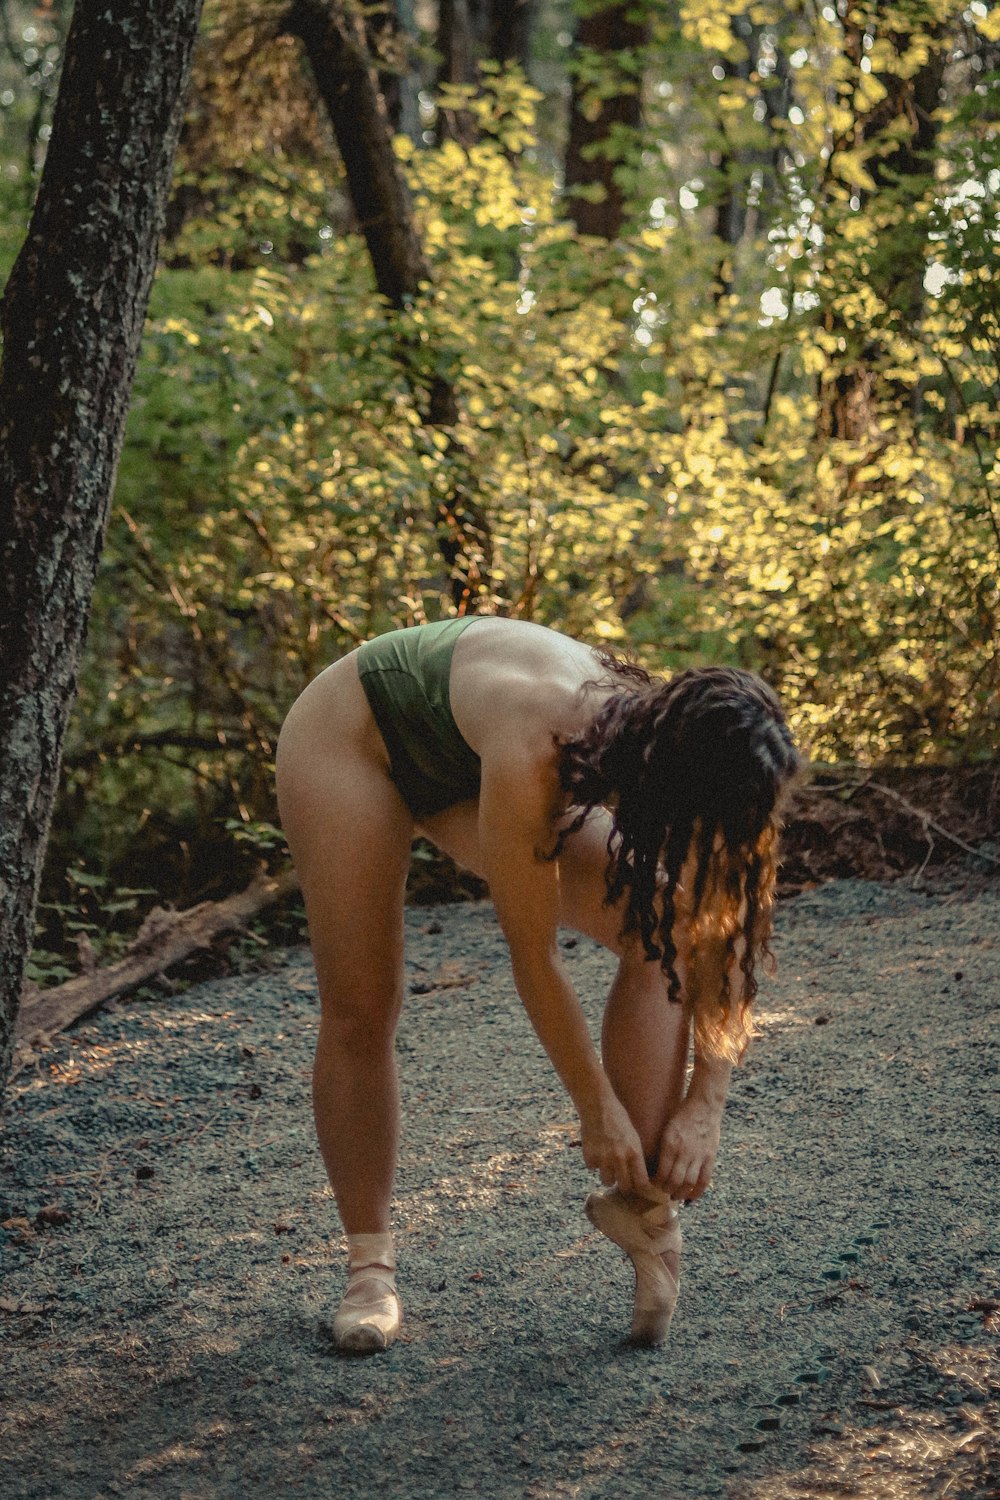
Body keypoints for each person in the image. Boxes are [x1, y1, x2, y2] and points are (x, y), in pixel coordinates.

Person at [275, 616, 801, 1354]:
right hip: (355, 739)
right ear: (667, 783)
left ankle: (644, 1211)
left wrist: (705, 1103)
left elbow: (726, 926)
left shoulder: (730, 762)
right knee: (363, 1006)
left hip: (470, 745)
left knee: (669, 928)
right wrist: (598, 1112)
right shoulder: (543, 743)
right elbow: (533, 956)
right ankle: (370, 1272)